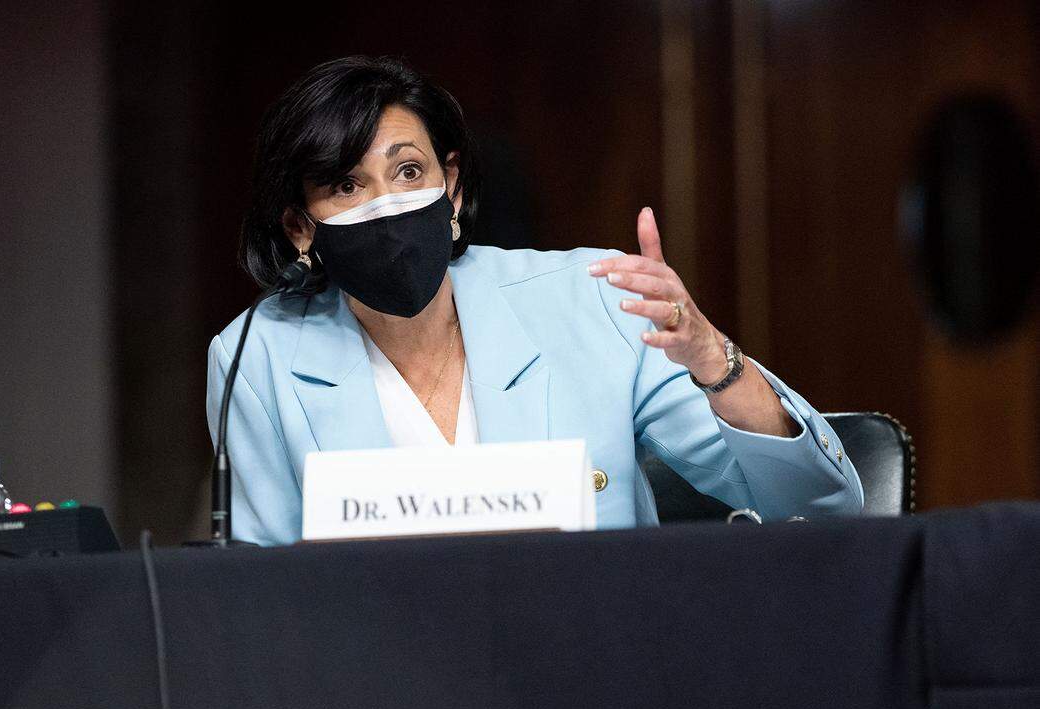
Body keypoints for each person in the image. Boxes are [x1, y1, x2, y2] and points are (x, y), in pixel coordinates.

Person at [206, 55, 864, 546]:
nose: (388, 204)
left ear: (452, 189)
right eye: (348, 185)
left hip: (592, 678)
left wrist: (712, 358)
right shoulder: (255, 358)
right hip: (384, 700)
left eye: (409, 172)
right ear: (300, 228)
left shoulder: (592, 300)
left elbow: (816, 504)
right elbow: (265, 596)